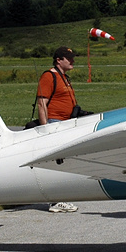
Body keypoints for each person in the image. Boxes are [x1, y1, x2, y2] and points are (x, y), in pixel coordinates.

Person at [39, 46, 80, 213]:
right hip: (54, 124)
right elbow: (42, 104)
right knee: (57, 163)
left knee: (65, 162)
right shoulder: (49, 77)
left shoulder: (64, 77)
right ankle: (55, 200)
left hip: (66, 124)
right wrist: (45, 130)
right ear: (58, 60)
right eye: (68, 58)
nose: (72, 61)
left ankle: (61, 197)